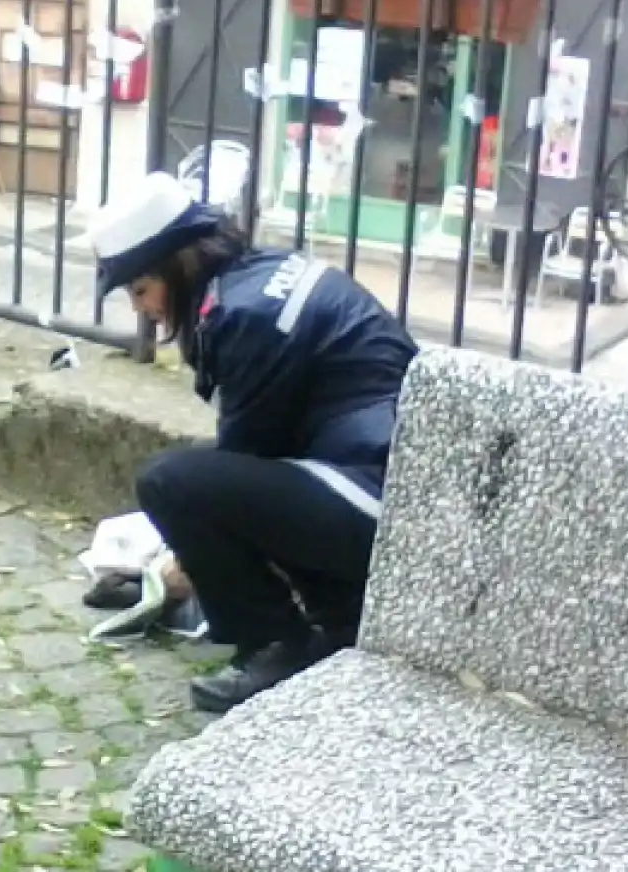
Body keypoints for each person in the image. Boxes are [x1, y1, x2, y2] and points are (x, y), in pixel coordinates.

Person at [84, 171, 419, 714]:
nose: (140, 309)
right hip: (383, 486)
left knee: (170, 483)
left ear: (178, 262)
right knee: (214, 482)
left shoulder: (244, 315)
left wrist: (174, 575)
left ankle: (275, 645)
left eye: (141, 289)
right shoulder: (258, 279)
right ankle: (338, 625)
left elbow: (238, 473)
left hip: (381, 502)